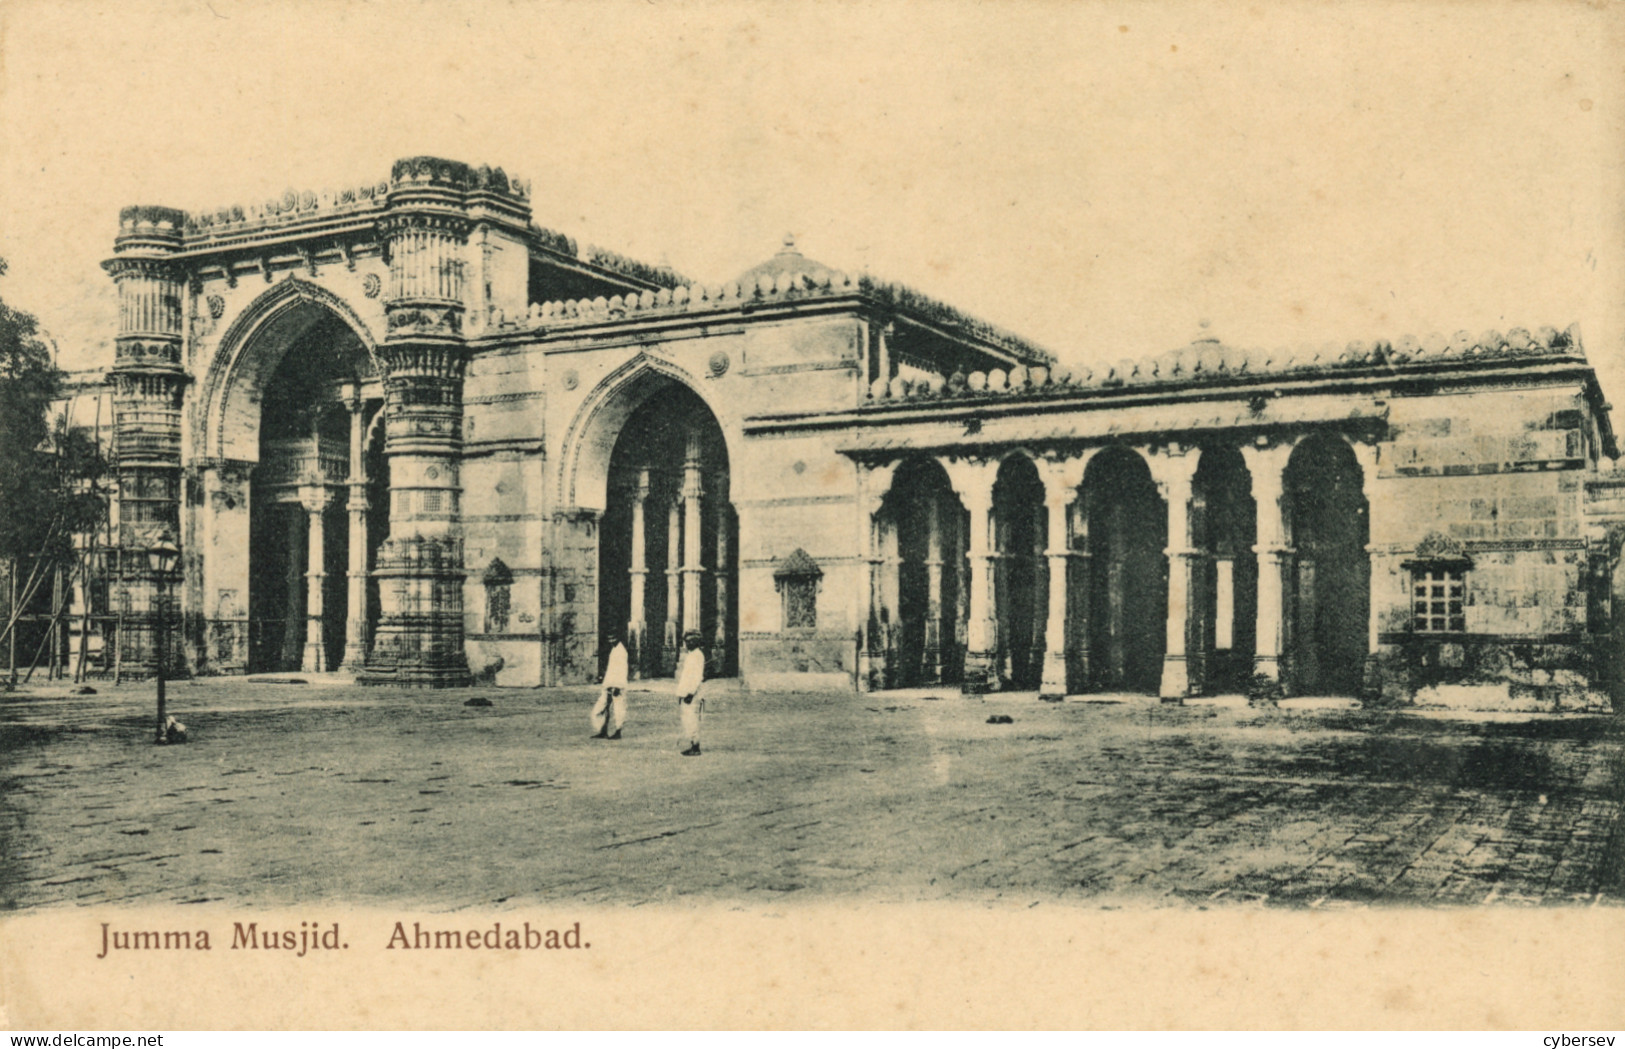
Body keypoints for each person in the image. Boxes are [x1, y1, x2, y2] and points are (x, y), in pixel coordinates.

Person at [590, 636, 629, 740]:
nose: (611, 640)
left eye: (613, 638)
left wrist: (617, 686)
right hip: (608, 684)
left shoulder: (621, 651)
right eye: (609, 638)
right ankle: (602, 730)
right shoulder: (614, 649)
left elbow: (622, 670)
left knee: (618, 709)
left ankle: (618, 731)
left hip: (617, 686)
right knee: (601, 708)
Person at [675, 632, 706, 756]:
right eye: (686, 642)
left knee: (692, 719)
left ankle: (696, 746)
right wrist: (681, 693)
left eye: (690, 642)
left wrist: (690, 693)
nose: (687, 644)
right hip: (686, 693)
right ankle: (692, 743)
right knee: (687, 719)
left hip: (692, 694)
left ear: (696, 642)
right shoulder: (691, 655)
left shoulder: (697, 655)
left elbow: (696, 677)